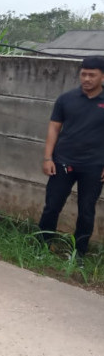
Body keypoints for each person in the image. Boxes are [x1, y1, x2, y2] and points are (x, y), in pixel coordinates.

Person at [38, 56, 104, 260]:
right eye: (83, 74)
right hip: (62, 162)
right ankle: (42, 244)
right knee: (52, 206)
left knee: (86, 211)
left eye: (92, 75)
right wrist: (48, 158)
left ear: (102, 76)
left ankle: (79, 253)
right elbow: (54, 128)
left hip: (94, 166)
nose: (86, 78)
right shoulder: (66, 99)